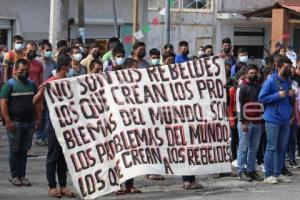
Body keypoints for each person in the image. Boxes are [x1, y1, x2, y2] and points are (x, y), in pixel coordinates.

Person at [33, 55, 75, 198]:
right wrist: (42, 90)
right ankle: (52, 186)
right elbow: (35, 100)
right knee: (52, 157)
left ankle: (63, 186)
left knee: (64, 157)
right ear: (64, 67)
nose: (71, 68)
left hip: (68, 125)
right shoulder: (51, 82)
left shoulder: (70, 82)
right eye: (70, 65)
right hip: (54, 125)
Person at [0, 58, 39, 186]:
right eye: (22, 70)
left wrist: (38, 118)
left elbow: (37, 103)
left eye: (27, 70)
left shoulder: (32, 84)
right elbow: (3, 104)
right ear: (15, 70)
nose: (24, 72)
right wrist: (8, 121)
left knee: (24, 150)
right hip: (14, 123)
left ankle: (22, 176)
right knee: (14, 150)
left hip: (29, 123)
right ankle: (14, 175)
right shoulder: (9, 85)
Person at [258, 56, 294, 184]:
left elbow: (289, 99)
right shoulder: (270, 81)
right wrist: (277, 95)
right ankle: (268, 175)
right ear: (278, 68)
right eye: (286, 67)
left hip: (285, 119)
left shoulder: (288, 80)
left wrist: (291, 94)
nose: (289, 69)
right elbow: (261, 98)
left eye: (290, 67)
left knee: (282, 148)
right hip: (272, 119)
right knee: (271, 147)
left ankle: (278, 173)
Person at [237, 64, 264, 182]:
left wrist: (262, 121)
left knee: (254, 148)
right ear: (246, 74)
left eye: (255, 73)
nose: (253, 75)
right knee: (243, 147)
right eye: (251, 73)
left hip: (257, 122)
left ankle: (251, 170)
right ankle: (241, 171)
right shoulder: (242, 87)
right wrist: (243, 121)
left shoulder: (259, 87)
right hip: (246, 122)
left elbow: (262, 105)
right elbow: (240, 105)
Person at [35, 42, 57, 146]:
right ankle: (39, 136)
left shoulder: (53, 62)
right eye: (46, 50)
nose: (48, 52)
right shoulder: (37, 62)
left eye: (50, 50)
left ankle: (46, 136)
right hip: (39, 91)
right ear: (42, 50)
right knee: (39, 115)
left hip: (49, 92)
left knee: (48, 116)